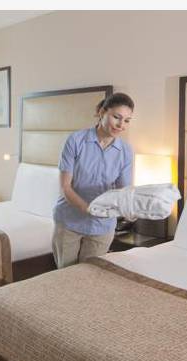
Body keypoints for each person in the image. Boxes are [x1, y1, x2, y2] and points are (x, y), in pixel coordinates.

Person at [52, 92, 135, 268]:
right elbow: (65, 187)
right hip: (69, 221)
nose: (121, 125)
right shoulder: (76, 141)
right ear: (102, 112)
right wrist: (89, 209)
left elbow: (123, 191)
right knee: (65, 277)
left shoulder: (126, 151)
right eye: (116, 117)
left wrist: (132, 207)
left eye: (127, 120)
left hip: (102, 226)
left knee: (91, 277)